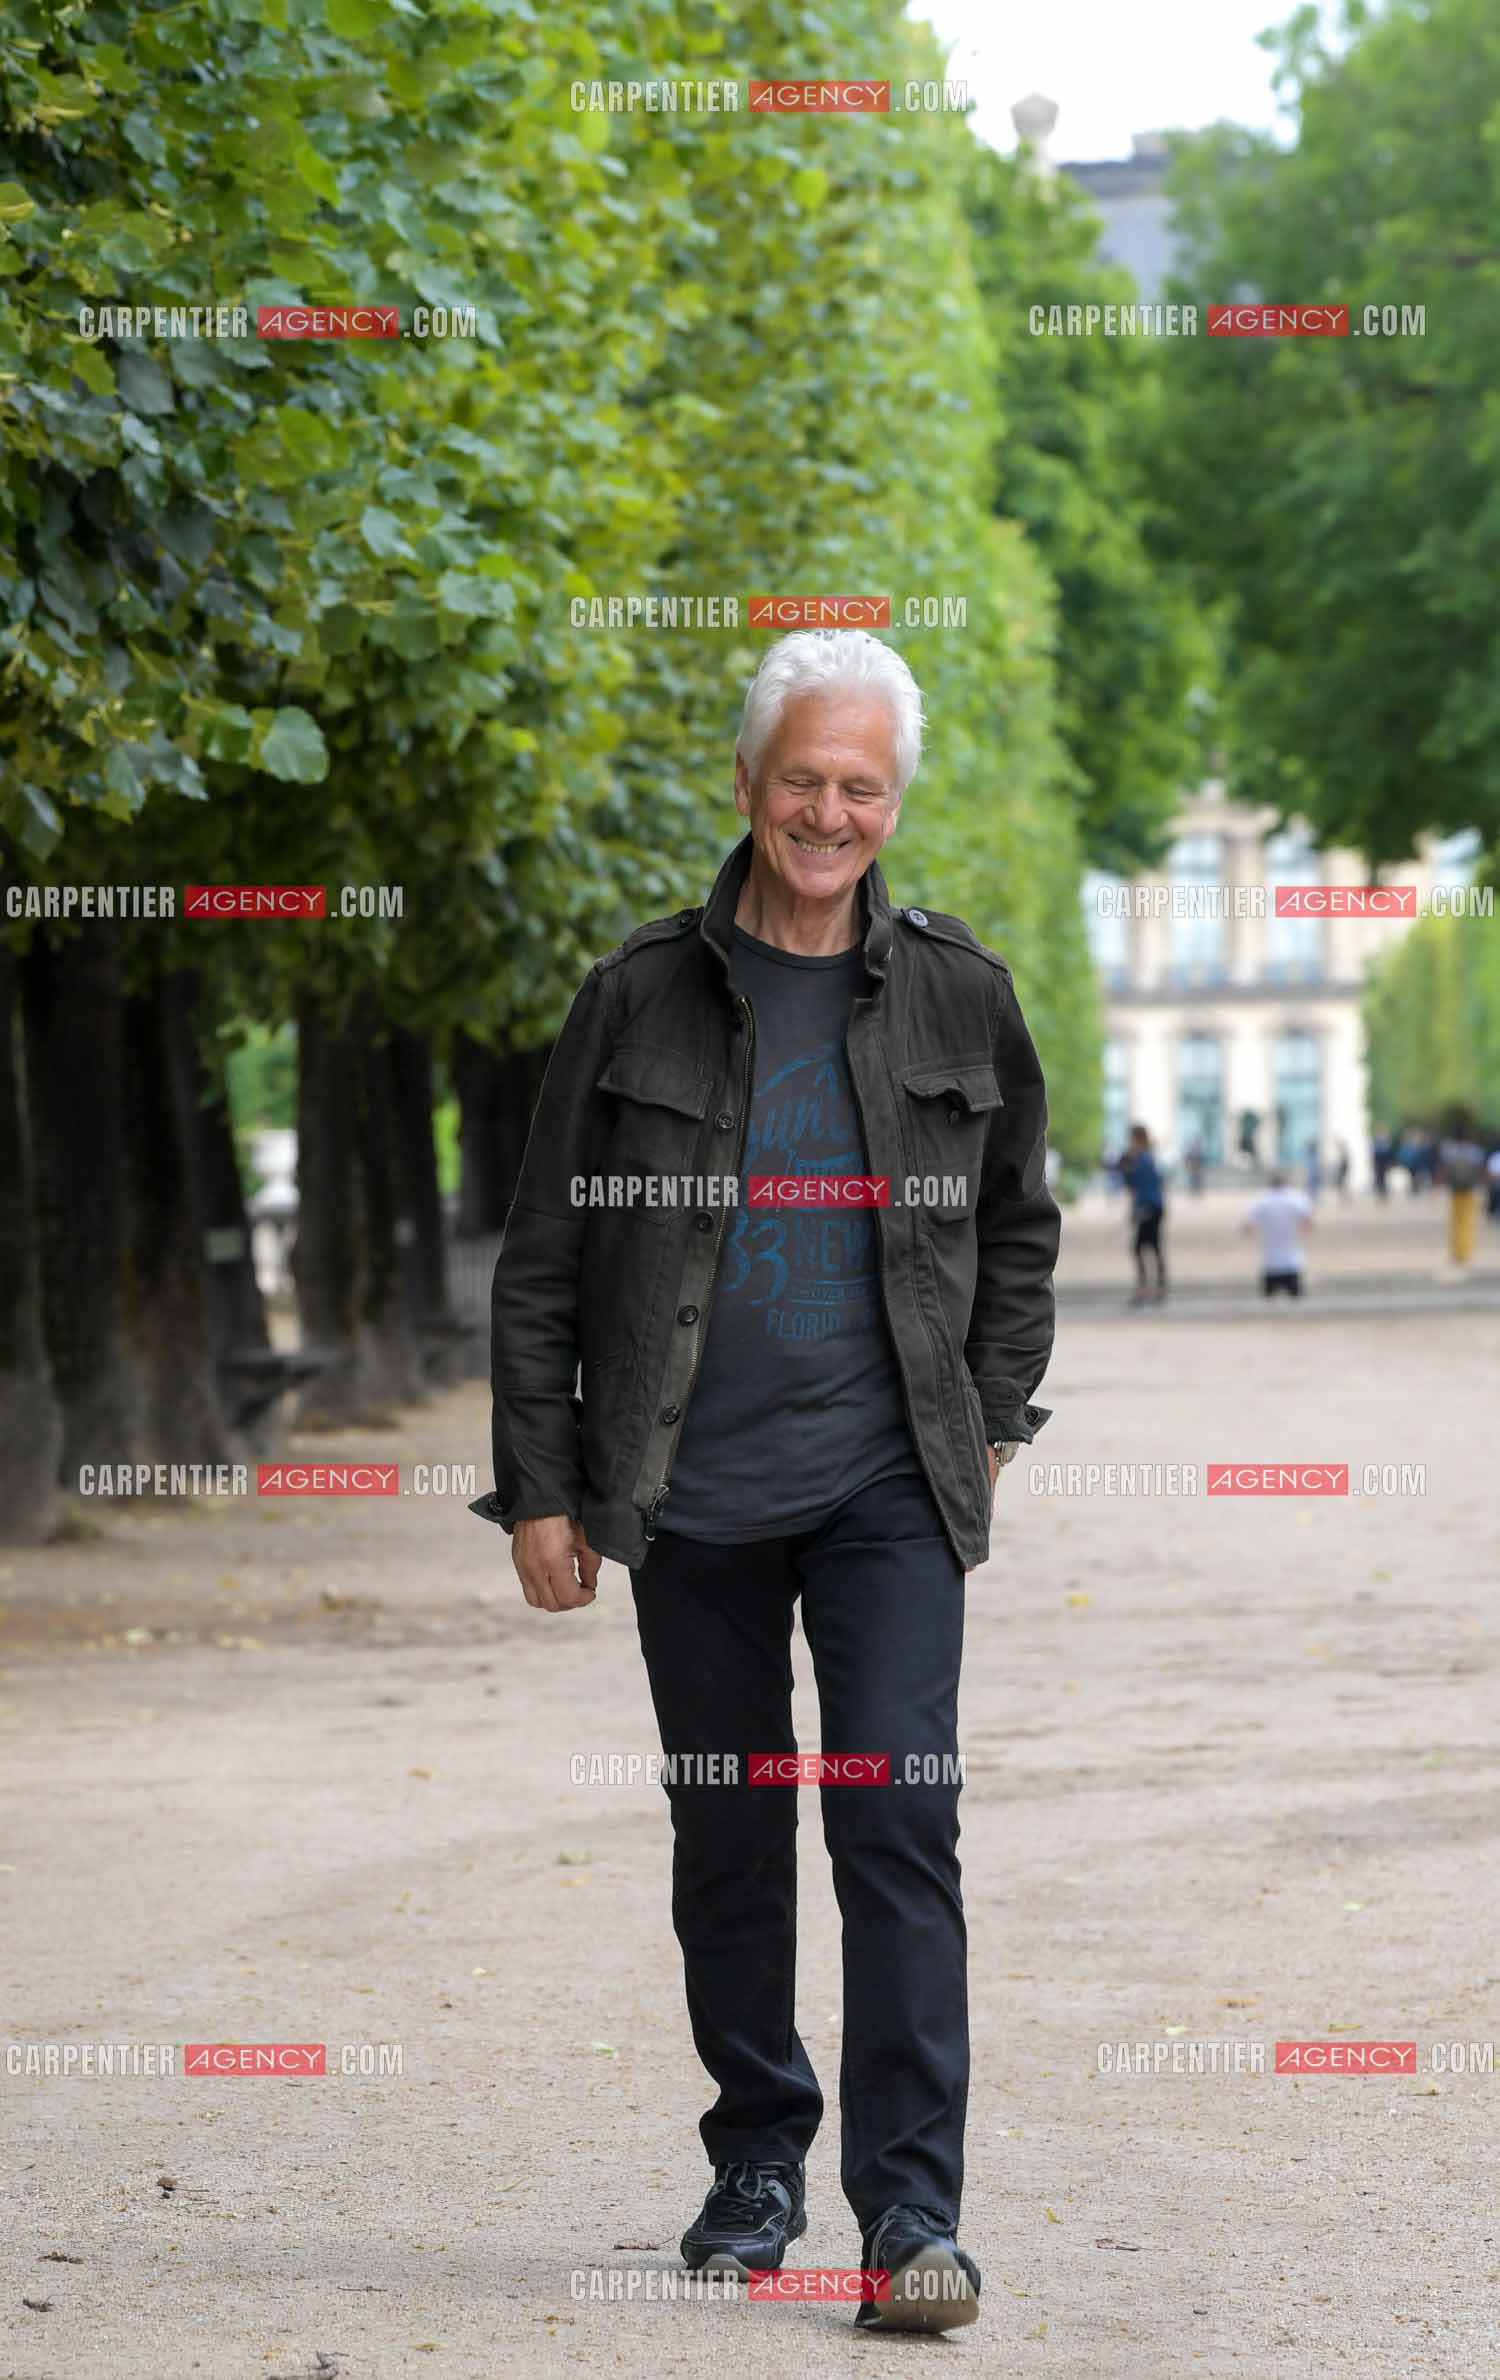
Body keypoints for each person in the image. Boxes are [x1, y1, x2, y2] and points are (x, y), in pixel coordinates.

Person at [470, 628, 1060, 2335]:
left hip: (889, 1493)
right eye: (802, 778)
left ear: (896, 798)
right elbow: (541, 1261)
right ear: (748, 784)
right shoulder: (637, 991)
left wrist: (994, 1415)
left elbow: (1020, 1224)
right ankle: (755, 2163)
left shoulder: (961, 989)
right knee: (727, 1831)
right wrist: (538, 1489)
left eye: (860, 785)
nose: (828, 810)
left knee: (897, 1822)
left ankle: (910, 2220)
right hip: (690, 1495)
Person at [1243, 1170, 1314, 1296]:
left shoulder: (1262, 1201)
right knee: (1296, 1305)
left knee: (1268, 1307)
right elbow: (1308, 1224)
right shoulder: (1296, 1199)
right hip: (1292, 1262)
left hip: (1270, 1263)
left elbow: (1248, 1227)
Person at [1119, 1122, 1166, 1305]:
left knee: (1142, 1247)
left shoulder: (1143, 1159)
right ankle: (1156, 1285)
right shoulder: (1145, 1158)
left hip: (1149, 1207)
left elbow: (1140, 1186)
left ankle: (1146, 1287)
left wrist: (1138, 1210)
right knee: (1152, 1247)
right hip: (1152, 1206)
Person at [1436, 1108, 1486, 1270]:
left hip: (1455, 1189)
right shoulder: (1474, 1151)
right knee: (1468, 1221)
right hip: (1470, 1189)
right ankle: (1466, 1251)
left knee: (1455, 1221)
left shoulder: (1449, 1150)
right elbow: (1481, 1169)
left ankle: (1456, 1251)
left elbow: (1444, 1169)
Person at [1371, 1124, 1394, 1199]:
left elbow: (1389, 1153)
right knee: (1380, 1177)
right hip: (1379, 1162)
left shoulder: (1385, 1141)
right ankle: (1381, 1192)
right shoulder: (1377, 1141)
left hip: (1383, 1162)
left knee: (1383, 1177)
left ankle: (1383, 1192)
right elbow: (1374, 1153)